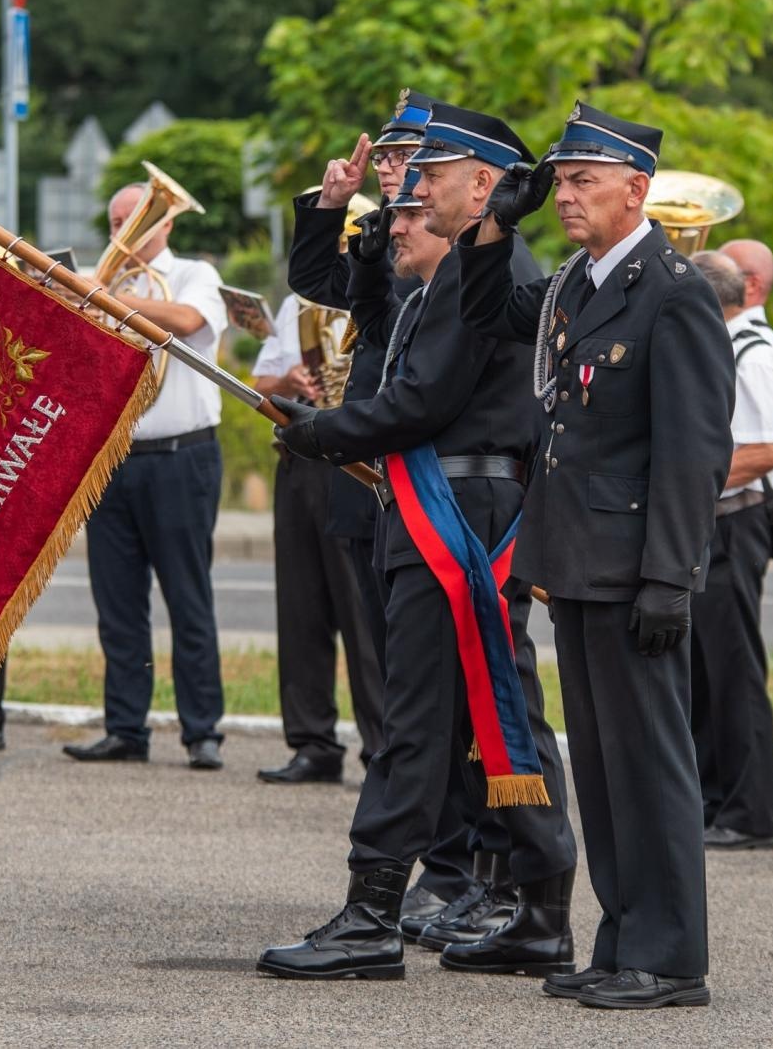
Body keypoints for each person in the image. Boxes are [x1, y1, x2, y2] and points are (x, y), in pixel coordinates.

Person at [259, 105, 576, 985]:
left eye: (429, 176)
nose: (410, 188)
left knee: (419, 721)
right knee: (494, 710)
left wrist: (325, 432)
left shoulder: (485, 271)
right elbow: (366, 324)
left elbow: (425, 399)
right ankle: (541, 913)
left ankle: (371, 918)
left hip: (454, 501)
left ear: (483, 185)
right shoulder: (452, 273)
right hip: (451, 494)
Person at [458, 102, 736, 1009]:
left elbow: (694, 452)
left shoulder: (675, 288)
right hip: (575, 560)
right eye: (563, 181)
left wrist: (671, 577)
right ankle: (623, 943)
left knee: (650, 765)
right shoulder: (578, 282)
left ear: (637, 189)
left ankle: (671, 961)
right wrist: (504, 215)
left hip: (632, 570)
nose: (568, 196)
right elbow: (488, 308)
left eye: (583, 181)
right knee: (606, 769)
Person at [283, 90, 483, 934]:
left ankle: (460, 864)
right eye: (395, 161)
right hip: (377, 485)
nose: (398, 179)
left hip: (430, 482)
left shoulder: (464, 253)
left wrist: (333, 432)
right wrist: (333, 209)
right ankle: (436, 858)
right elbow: (319, 284)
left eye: (414, 163)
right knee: (405, 691)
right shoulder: (392, 239)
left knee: (434, 699)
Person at [63, 182, 230, 770]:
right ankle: (126, 727)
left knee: (189, 599)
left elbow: (187, 322)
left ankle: (202, 730)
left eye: (134, 220)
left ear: (165, 225)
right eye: (114, 223)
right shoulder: (100, 283)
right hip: (114, 459)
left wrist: (106, 297)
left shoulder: (192, 275)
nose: (122, 234)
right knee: (119, 604)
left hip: (183, 457)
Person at [252, 289, 385, 784]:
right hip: (299, 462)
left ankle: (383, 747)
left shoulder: (389, 295)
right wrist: (288, 381)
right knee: (301, 608)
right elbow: (261, 384)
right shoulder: (297, 305)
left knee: (361, 610)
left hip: (352, 461)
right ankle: (313, 743)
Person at [690, 246, 773, 851]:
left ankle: (751, 814)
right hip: (712, 521)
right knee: (703, 669)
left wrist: (683, 479)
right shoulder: (726, 343)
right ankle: (712, 799)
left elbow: (767, 451)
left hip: (736, 522)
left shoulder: (754, 352)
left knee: (735, 671)